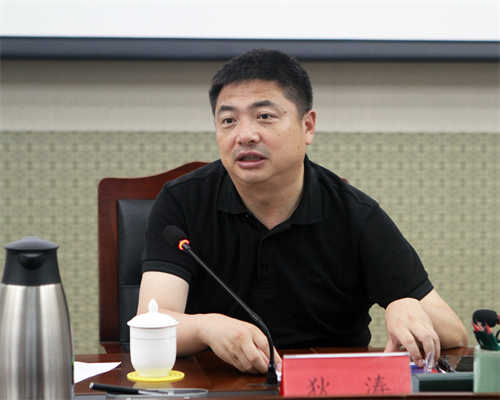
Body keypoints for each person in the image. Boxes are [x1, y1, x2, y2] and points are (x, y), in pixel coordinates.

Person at [138, 49, 468, 376]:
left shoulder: (354, 214)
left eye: (264, 116)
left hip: (330, 387)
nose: (245, 135)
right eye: (228, 121)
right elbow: (150, 321)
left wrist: (404, 304)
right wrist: (207, 327)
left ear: (307, 126)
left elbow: (456, 334)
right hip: (213, 386)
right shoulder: (182, 201)